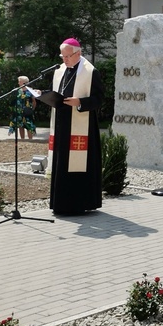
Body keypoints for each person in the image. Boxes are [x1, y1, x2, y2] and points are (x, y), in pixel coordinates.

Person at [43, 38, 104, 215]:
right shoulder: (60, 71)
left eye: (68, 56)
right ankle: (60, 204)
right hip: (62, 125)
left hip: (81, 126)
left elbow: (99, 99)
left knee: (78, 164)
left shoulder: (91, 72)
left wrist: (79, 102)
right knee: (62, 164)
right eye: (62, 56)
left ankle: (79, 204)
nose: (65, 59)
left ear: (78, 53)